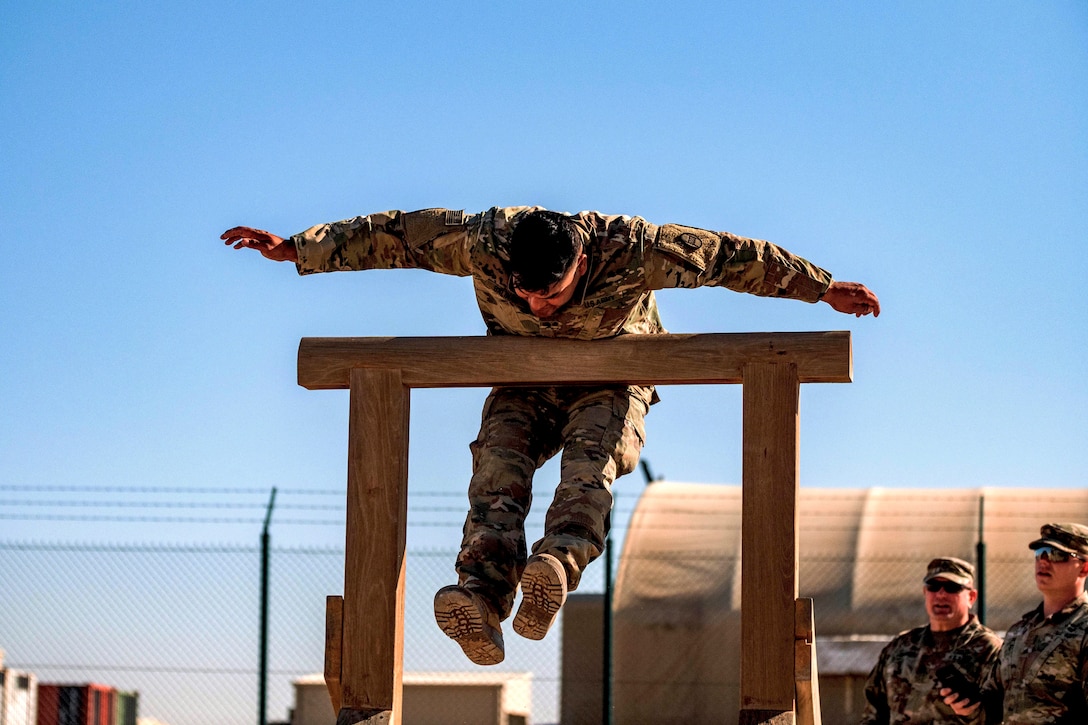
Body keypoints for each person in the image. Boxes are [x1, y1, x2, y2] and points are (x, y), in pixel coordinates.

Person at [222, 205, 880, 665]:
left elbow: (731, 257)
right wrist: (297, 248)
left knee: (587, 469)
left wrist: (821, 290)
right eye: (527, 294)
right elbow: (397, 236)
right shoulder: (482, 238)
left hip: (614, 369)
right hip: (523, 373)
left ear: (585, 260)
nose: (540, 306)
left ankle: (553, 568)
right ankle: (481, 596)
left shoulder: (636, 246)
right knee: (494, 474)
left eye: (554, 293)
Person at [947, 523, 1088, 723]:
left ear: (1084, 567)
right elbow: (993, 710)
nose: (1044, 561)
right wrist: (969, 709)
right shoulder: (1019, 632)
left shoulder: (1083, 628)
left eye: (1056, 554)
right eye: (1040, 553)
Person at [860, 557, 1001, 724]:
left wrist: (973, 713)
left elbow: (1003, 714)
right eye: (934, 587)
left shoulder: (989, 649)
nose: (941, 594)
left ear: (971, 597)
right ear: (925, 593)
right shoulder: (899, 648)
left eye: (952, 588)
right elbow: (873, 713)